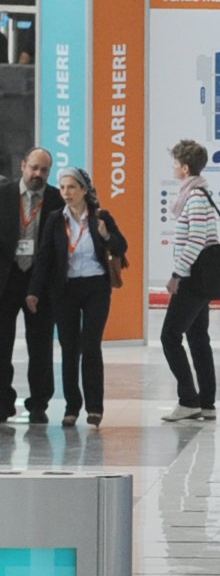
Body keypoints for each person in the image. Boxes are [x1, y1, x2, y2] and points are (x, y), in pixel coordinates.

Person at [44, 166, 124, 426]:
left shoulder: (100, 216)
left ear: (83, 190)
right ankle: (71, 406)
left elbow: (121, 246)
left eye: (71, 187)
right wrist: (34, 291)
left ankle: (94, 407)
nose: (66, 193)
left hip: (95, 287)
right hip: (65, 289)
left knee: (91, 345)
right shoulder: (56, 218)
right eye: (63, 187)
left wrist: (105, 234)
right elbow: (45, 256)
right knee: (69, 348)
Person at [161, 139, 220, 422]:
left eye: (175, 164)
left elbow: (196, 240)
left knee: (169, 337)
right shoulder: (197, 195)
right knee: (198, 338)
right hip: (200, 280)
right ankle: (207, 403)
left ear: (185, 168)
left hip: (192, 281)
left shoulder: (196, 198)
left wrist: (178, 274)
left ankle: (189, 399)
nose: (174, 169)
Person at [2, 146, 59, 424]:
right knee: (2, 344)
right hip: (7, 278)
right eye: (34, 167)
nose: (38, 174)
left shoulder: (57, 200)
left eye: (44, 170)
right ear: (23, 165)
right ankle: (2, 402)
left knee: (41, 346)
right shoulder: (3, 194)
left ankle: (39, 404)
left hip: (40, 282)